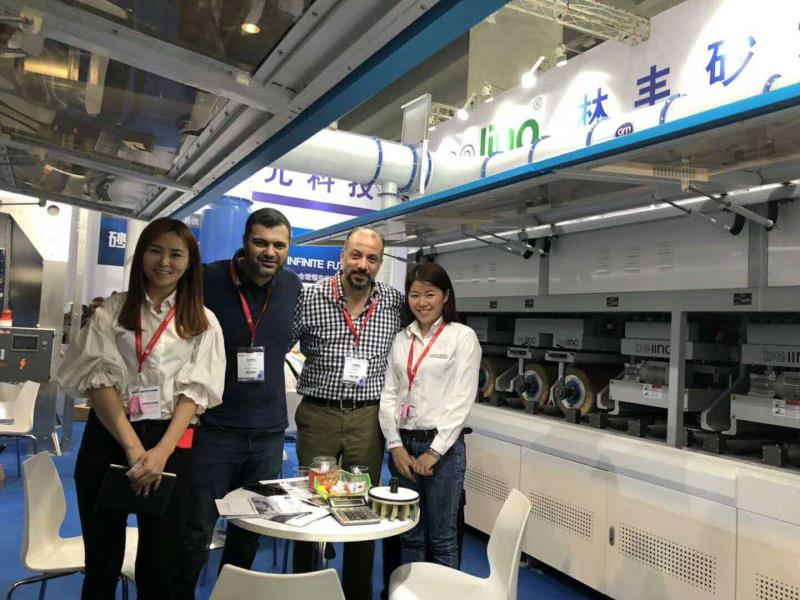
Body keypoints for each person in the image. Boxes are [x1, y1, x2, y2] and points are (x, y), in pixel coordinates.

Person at [58, 218, 225, 600]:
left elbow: (194, 394)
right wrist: (133, 448)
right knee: (101, 565)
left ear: (189, 262)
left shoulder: (202, 321)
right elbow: (98, 382)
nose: (164, 262)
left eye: (176, 254)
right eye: (155, 251)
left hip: (170, 443)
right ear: (141, 255)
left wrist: (161, 452)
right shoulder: (112, 311)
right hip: (110, 437)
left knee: (159, 567)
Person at [172, 207, 302, 599]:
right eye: (261, 242)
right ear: (245, 242)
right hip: (214, 430)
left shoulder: (292, 286)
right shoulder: (207, 280)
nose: (270, 252)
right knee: (194, 532)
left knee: (249, 532)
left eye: (279, 245)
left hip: (268, 434)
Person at [292, 226, 403, 600]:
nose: (362, 264)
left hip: (367, 420)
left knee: (361, 508)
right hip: (319, 416)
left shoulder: (393, 303)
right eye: (356, 255)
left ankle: (358, 593)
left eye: (372, 258)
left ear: (379, 264)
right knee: (311, 504)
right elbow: (277, 345)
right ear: (342, 257)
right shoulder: (311, 298)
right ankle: (305, 590)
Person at [378, 262, 481, 569]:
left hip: (443, 450)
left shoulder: (462, 337)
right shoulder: (401, 338)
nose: (421, 302)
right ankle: (412, 590)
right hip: (404, 448)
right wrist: (395, 445)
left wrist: (434, 452)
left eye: (430, 294)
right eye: (414, 295)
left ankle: (441, 590)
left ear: (445, 296)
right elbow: (389, 394)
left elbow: (461, 399)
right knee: (409, 534)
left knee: (442, 538)